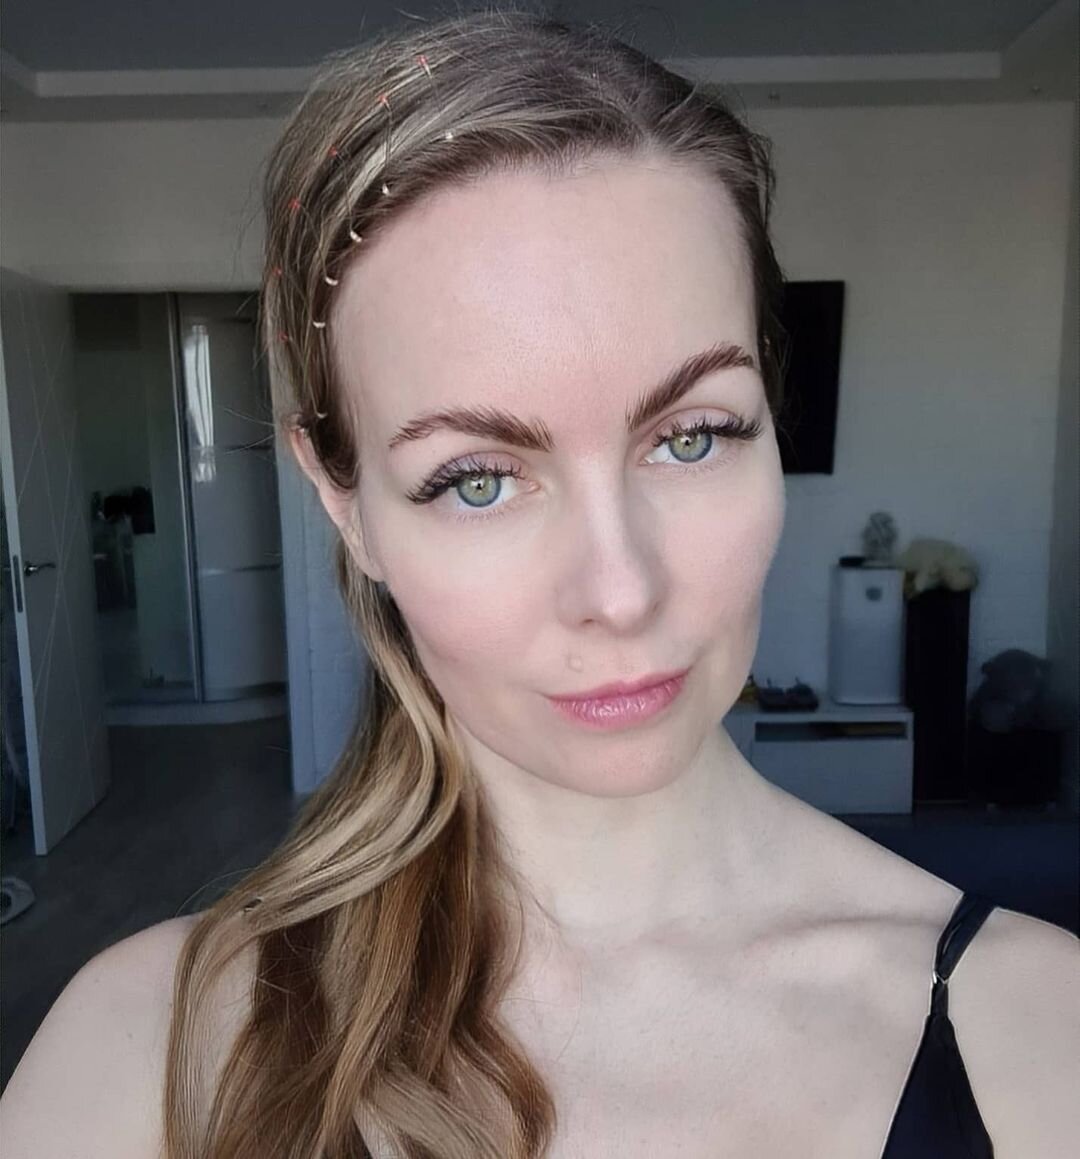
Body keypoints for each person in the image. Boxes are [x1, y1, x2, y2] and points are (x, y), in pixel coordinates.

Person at [2, 8, 1077, 1158]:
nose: (620, 592)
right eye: (477, 480)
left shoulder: (1040, 1029)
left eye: (692, 436)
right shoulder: (147, 1055)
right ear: (345, 504)